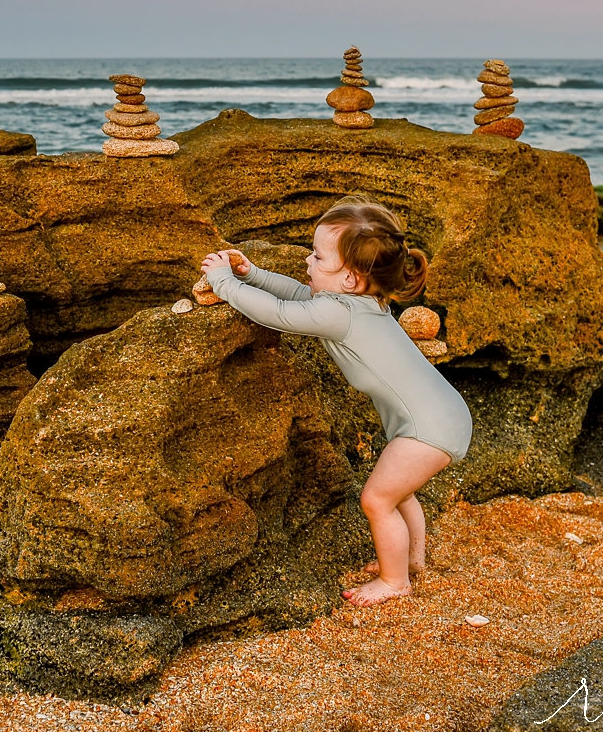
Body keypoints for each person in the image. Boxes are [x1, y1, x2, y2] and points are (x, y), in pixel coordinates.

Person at [200, 196, 473, 607]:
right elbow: (297, 294)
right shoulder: (362, 301)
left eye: (318, 257)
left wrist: (225, 282)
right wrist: (252, 273)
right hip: (442, 417)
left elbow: (278, 313)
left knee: (376, 499)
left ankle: (395, 581)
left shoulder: (339, 314)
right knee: (399, 493)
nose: (308, 262)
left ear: (350, 279)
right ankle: (412, 559)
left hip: (429, 429)